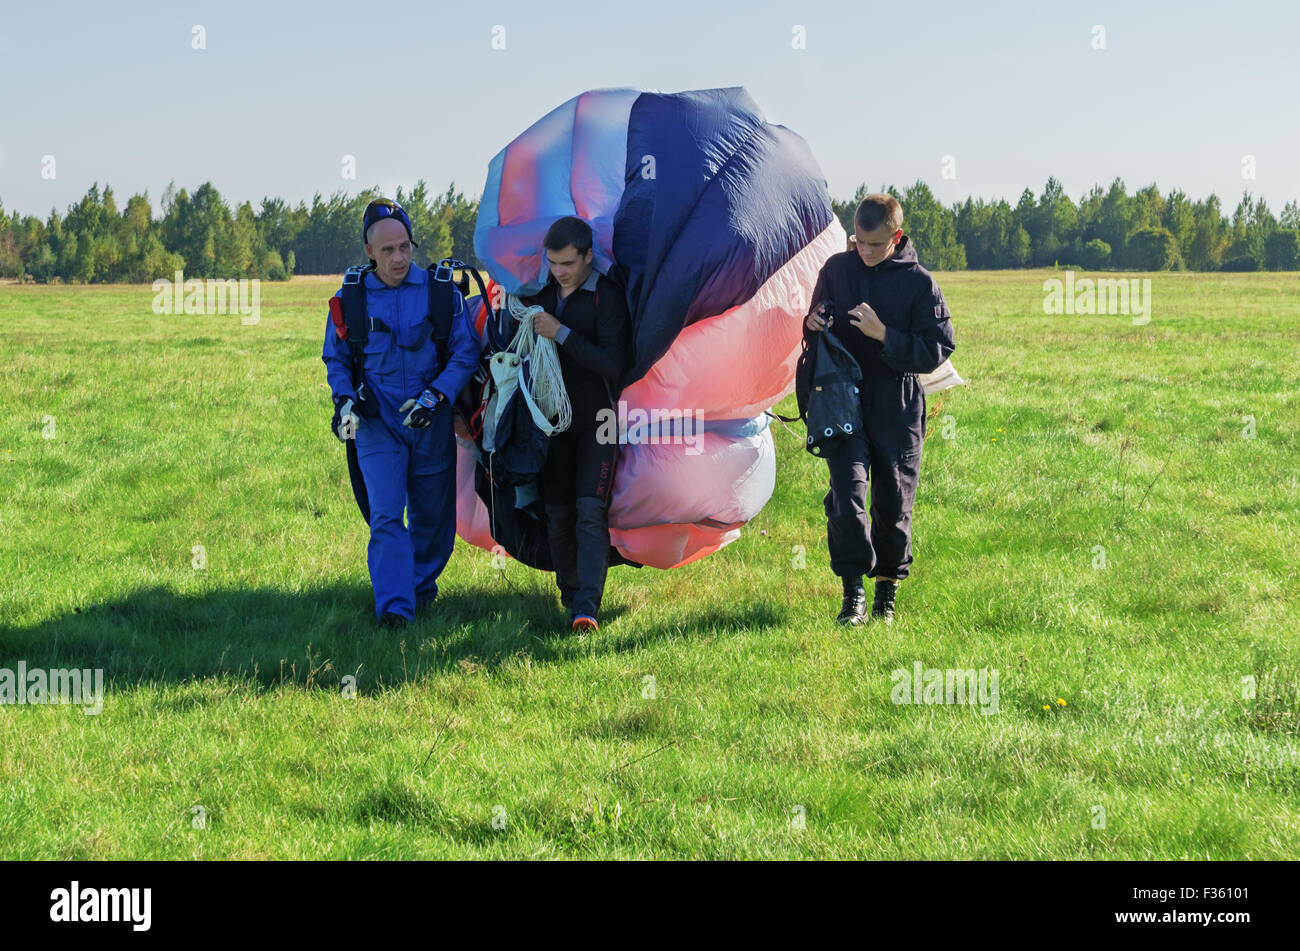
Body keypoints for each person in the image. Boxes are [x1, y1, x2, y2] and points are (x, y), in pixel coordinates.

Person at [322, 199, 483, 628]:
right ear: (370, 252)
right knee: (387, 516)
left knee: (433, 518)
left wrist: (435, 397)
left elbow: (465, 352)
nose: (399, 258)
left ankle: (418, 587)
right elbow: (336, 359)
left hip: (428, 421)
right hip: (377, 425)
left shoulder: (440, 291)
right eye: (388, 250)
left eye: (405, 247)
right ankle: (395, 608)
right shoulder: (350, 299)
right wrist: (344, 401)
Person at [804, 194, 955, 624]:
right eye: (858, 242)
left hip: (897, 405)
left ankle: (885, 595)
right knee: (847, 496)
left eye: (874, 244)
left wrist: (885, 334)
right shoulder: (836, 268)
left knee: (892, 503)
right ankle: (852, 594)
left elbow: (938, 347)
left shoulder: (919, 283)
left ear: (897, 236)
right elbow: (815, 316)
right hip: (842, 401)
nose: (864, 252)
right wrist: (813, 319)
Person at [522, 216, 631, 633]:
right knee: (556, 512)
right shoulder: (543, 294)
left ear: (589, 255)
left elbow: (612, 364)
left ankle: (587, 606)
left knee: (589, 511)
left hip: (599, 421)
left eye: (567, 263)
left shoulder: (607, 296)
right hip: (551, 425)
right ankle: (570, 598)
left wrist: (561, 333)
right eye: (552, 263)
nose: (559, 271)